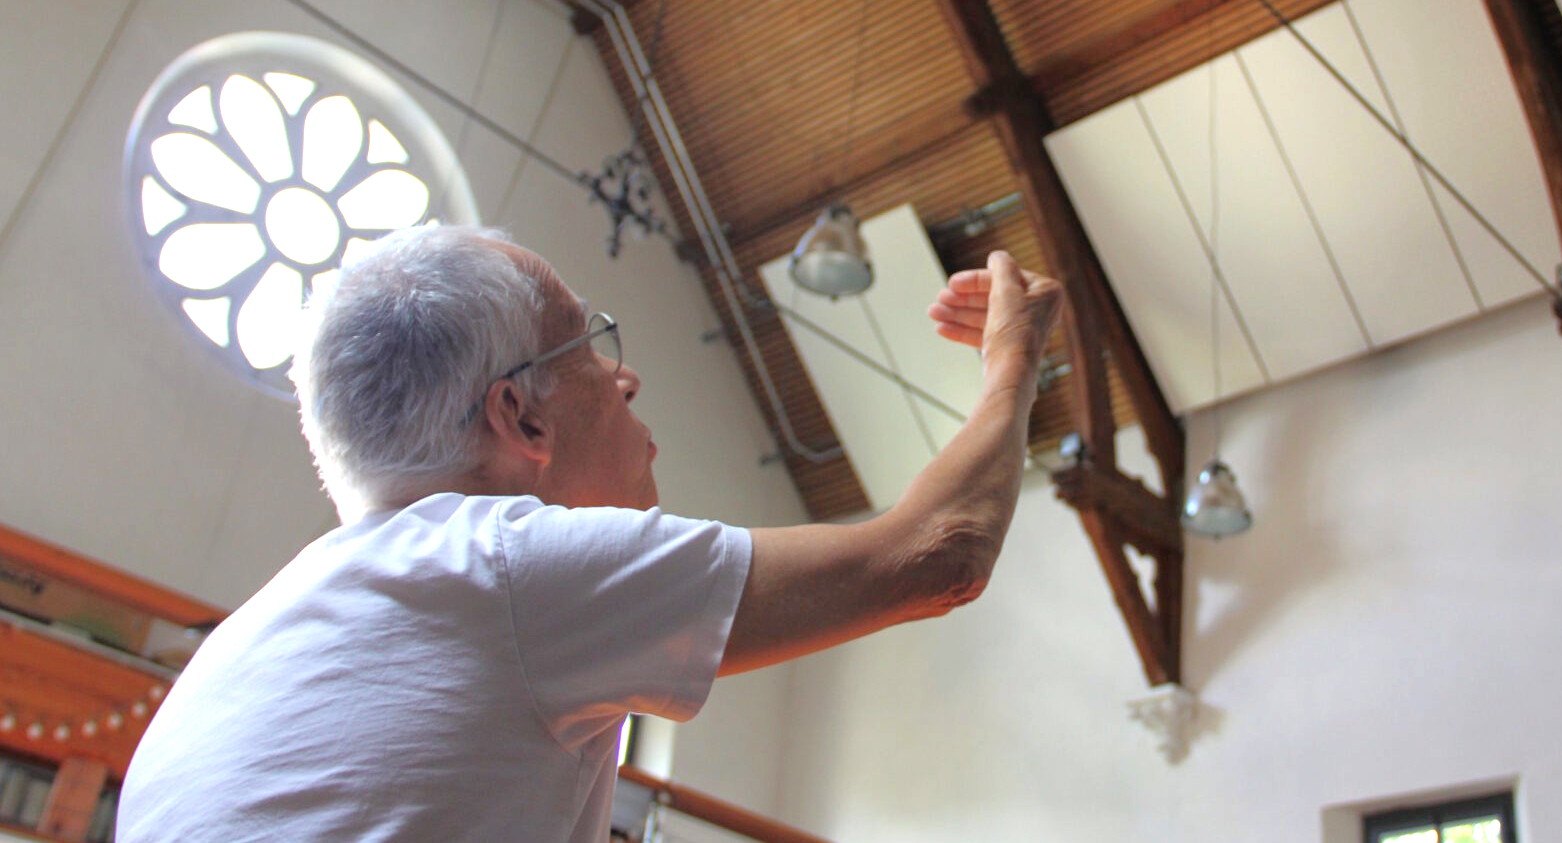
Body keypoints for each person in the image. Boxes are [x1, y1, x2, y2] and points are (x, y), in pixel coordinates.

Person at [116, 225, 1063, 842]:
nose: (627, 379)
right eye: (589, 347)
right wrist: (1015, 359)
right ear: (520, 419)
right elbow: (939, 551)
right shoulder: (499, 566)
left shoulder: (240, 642)